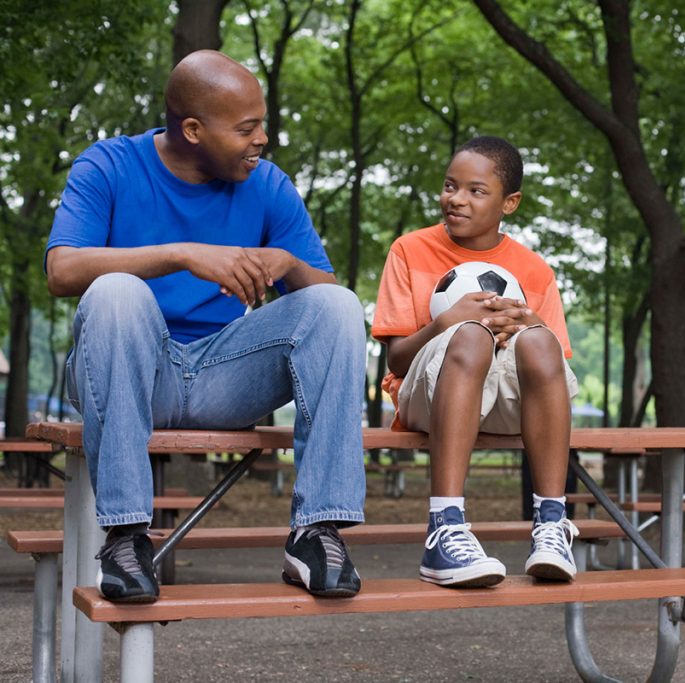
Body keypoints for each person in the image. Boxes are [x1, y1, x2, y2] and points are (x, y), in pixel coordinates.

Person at [45, 50, 366, 602]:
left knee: (337, 305)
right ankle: (125, 536)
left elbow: (325, 311)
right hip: (128, 372)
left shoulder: (266, 184)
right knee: (117, 291)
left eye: (261, 123)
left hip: (222, 371)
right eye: (247, 128)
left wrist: (289, 264)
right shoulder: (109, 165)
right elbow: (62, 269)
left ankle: (317, 531)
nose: (262, 139)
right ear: (193, 129)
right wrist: (181, 254)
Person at [371, 136, 579, 587]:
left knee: (541, 341)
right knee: (469, 336)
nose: (456, 200)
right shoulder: (409, 250)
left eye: (475, 191)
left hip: (510, 407)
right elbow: (398, 360)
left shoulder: (535, 270)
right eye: (450, 186)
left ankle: (551, 522)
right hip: (429, 400)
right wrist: (446, 321)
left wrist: (527, 324)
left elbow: (551, 371)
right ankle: (444, 526)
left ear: (510, 203)